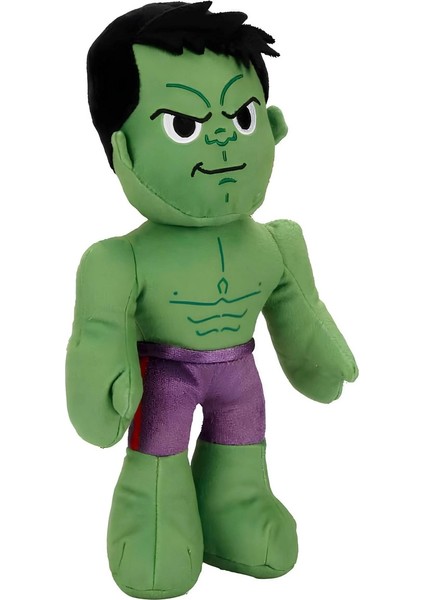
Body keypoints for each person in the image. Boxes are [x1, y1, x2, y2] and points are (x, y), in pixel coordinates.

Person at [66, 2, 358, 598]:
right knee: (157, 463)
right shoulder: (118, 259)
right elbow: (100, 332)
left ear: (273, 125)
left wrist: (323, 360)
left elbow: (300, 313)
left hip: (241, 377)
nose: (223, 135)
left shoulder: (278, 243)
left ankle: (235, 516)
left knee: (242, 452)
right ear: (122, 148)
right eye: (184, 125)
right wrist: (103, 390)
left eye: (243, 116)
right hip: (165, 379)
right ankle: (153, 527)